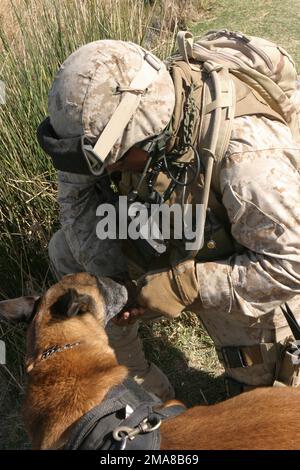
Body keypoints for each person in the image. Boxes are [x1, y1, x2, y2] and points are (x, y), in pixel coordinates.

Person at [37, 35, 300, 400]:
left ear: (147, 139)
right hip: (177, 225)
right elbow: (77, 197)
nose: (102, 171)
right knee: (66, 250)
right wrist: (121, 289)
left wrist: (182, 285)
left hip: (243, 251)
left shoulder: (249, 157)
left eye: (110, 163)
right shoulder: (101, 126)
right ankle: (132, 379)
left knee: (262, 394)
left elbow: (288, 266)